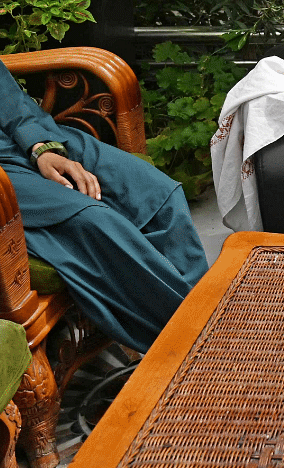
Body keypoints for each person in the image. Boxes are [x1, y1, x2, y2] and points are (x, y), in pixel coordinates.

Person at [0, 62, 208, 353]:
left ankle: (204, 319)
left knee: (154, 191)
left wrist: (41, 147)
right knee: (95, 222)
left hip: (23, 140)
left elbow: (7, 96)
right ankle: (200, 345)